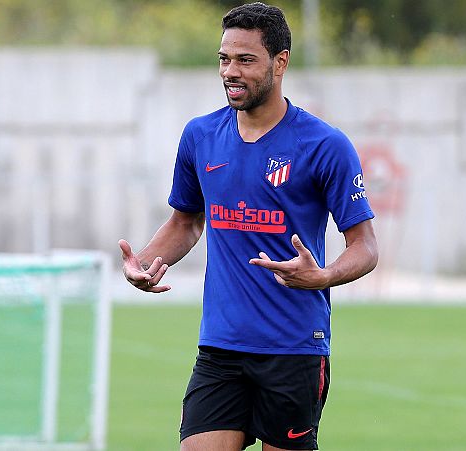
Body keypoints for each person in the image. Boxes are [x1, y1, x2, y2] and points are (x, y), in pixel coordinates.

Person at [118, 2, 378, 450]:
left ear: (281, 62)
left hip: (293, 350)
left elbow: (365, 246)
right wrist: (144, 261)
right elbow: (187, 221)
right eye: (224, 59)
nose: (230, 71)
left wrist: (323, 276)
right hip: (220, 348)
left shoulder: (324, 145)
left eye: (245, 60)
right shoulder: (200, 136)